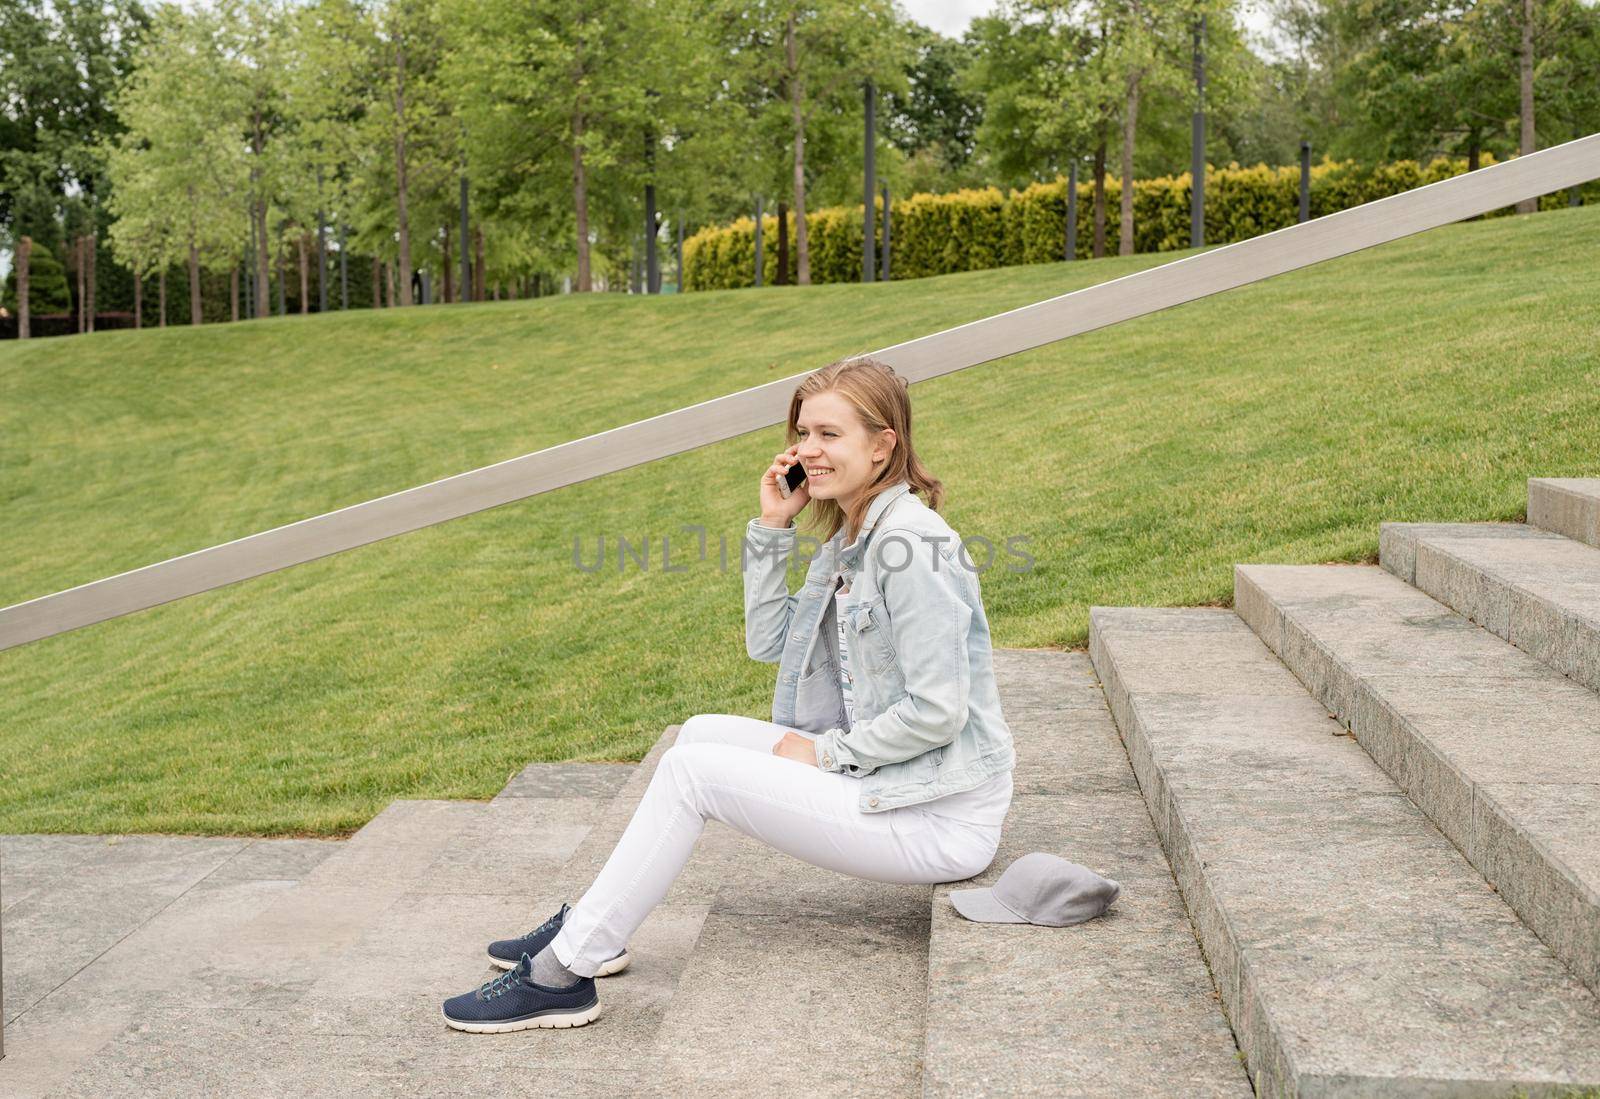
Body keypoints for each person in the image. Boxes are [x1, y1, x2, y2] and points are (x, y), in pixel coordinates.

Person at [441, 355, 1016, 1033]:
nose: (807, 450)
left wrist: (828, 754)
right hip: (899, 780)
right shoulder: (855, 537)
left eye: (829, 434)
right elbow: (771, 643)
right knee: (698, 733)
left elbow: (938, 712)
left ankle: (565, 973)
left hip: (937, 815)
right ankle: (596, 920)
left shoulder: (912, 547)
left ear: (883, 443)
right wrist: (773, 526)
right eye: (804, 433)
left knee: (694, 773)